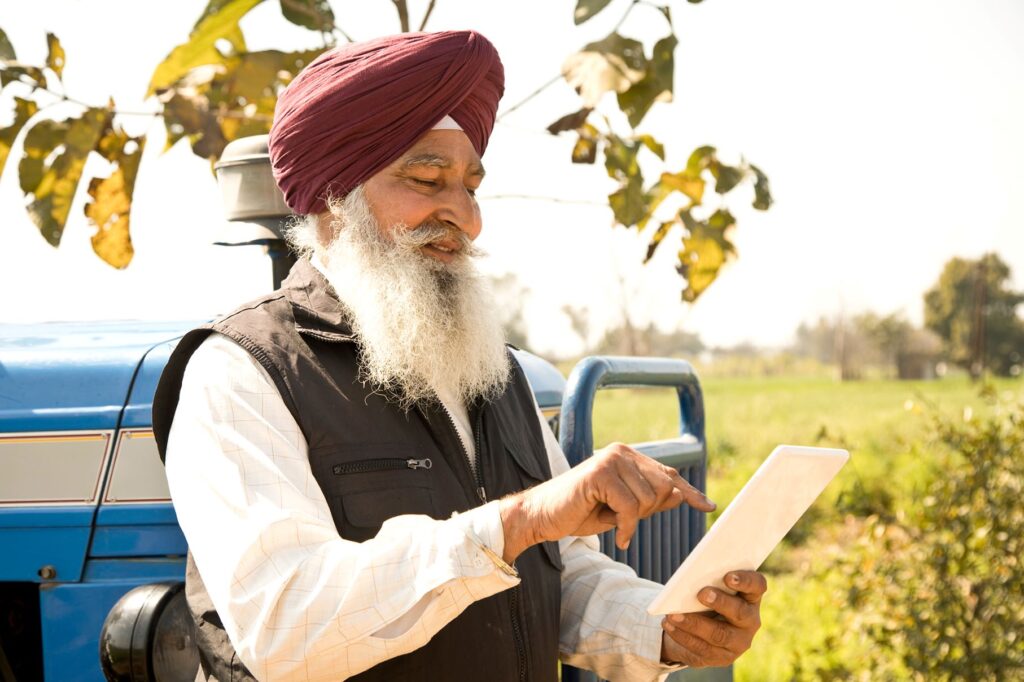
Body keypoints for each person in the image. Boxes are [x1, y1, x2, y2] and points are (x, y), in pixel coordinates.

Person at [153, 30, 767, 682]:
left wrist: (661, 627)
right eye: (427, 179)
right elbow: (284, 627)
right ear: (334, 198)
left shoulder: (495, 372)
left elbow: (560, 574)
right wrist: (514, 522)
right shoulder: (241, 372)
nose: (464, 217)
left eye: (470, 187)